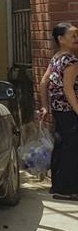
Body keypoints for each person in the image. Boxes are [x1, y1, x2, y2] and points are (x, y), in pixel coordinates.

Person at [39, 22, 78, 200]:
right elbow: (68, 89)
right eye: (73, 36)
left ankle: (57, 186)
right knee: (72, 148)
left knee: (61, 147)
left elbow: (43, 83)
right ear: (61, 39)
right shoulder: (71, 61)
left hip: (58, 110)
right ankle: (67, 189)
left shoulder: (56, 58)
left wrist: (45, 106)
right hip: (69, 111)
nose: (77, 39)